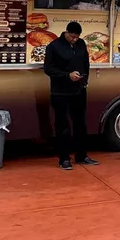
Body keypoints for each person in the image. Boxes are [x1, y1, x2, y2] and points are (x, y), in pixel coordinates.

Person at [43, 21, 99, 170]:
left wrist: (84, 79)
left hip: (79, 90)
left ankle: (82, 155)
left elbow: (85, 63)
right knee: (63, 125)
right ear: (66, 32)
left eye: (77, 37)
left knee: (80, 124)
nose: (75, 40)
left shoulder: (81, 44)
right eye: (72, 37)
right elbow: (48, 69)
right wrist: (67, 75)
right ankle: (64, 159)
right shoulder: (54, 46)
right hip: (60, 91)